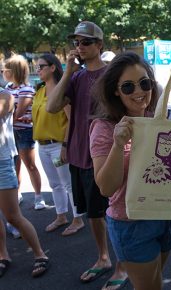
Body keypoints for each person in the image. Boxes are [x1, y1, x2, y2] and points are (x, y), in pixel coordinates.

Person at [89, 51, 171, 290]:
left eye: (144, 83)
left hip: (164, 216)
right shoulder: (104, 128)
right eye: (128, 87)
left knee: (156, 283)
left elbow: (169, 174)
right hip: (131, 224)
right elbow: (106, 187)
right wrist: (119, 144)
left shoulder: (155, 119)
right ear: (115, 91)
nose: (139, 92)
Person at [46, 21, 127, 288]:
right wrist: (67, 70)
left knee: (116, 212)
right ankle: (103, 257)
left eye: (86, 42)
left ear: (100, 45)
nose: (80, 47)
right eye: (77, 42)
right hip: (80, 154)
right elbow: (53, 107)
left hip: (105, 154)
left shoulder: (112, 76)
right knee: (93, 213)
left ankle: (122, 265)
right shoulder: (77, 76)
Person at [31, 53, 85, 235]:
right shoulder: (39, 91)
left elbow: (71, 120)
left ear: (53, 67)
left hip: (57, 146)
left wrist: (65, 145)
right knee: (54, 183)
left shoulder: (63, 91)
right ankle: (61, 215)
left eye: (41, 66)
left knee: (68, 183)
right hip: (42, 145)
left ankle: (78, 219)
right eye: (37, 67)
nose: (37, 70)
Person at [0, 87, 49, 278]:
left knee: (13, 216)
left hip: (2, 162)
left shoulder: (5, 96)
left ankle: (40, 255)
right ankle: (3, 256)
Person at [2, 54, 44, 210]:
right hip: (12, 132)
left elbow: (17, 114)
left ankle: (39, 197)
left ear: (14, 71)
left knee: (30, 165)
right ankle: (17, 194)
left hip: (24, 132)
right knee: (15, 166)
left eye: (5, 69)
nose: (3, 72)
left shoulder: (26, 89)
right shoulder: (8, 88)